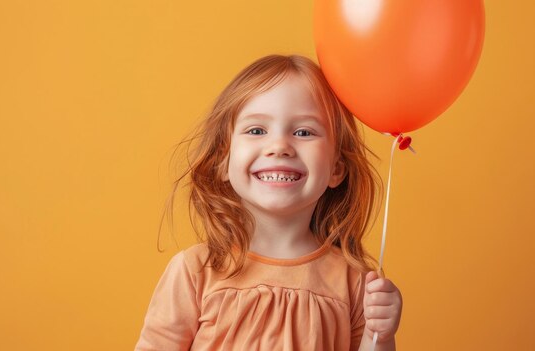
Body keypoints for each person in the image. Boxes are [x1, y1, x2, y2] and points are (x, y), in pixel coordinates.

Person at [135, 54, 403, 351]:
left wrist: (381, 335)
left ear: (336, 168)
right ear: (224, 161)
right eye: (257, 130)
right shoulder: (195, 271)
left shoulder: (355, 283)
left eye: (303, 132)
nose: (279, 147)